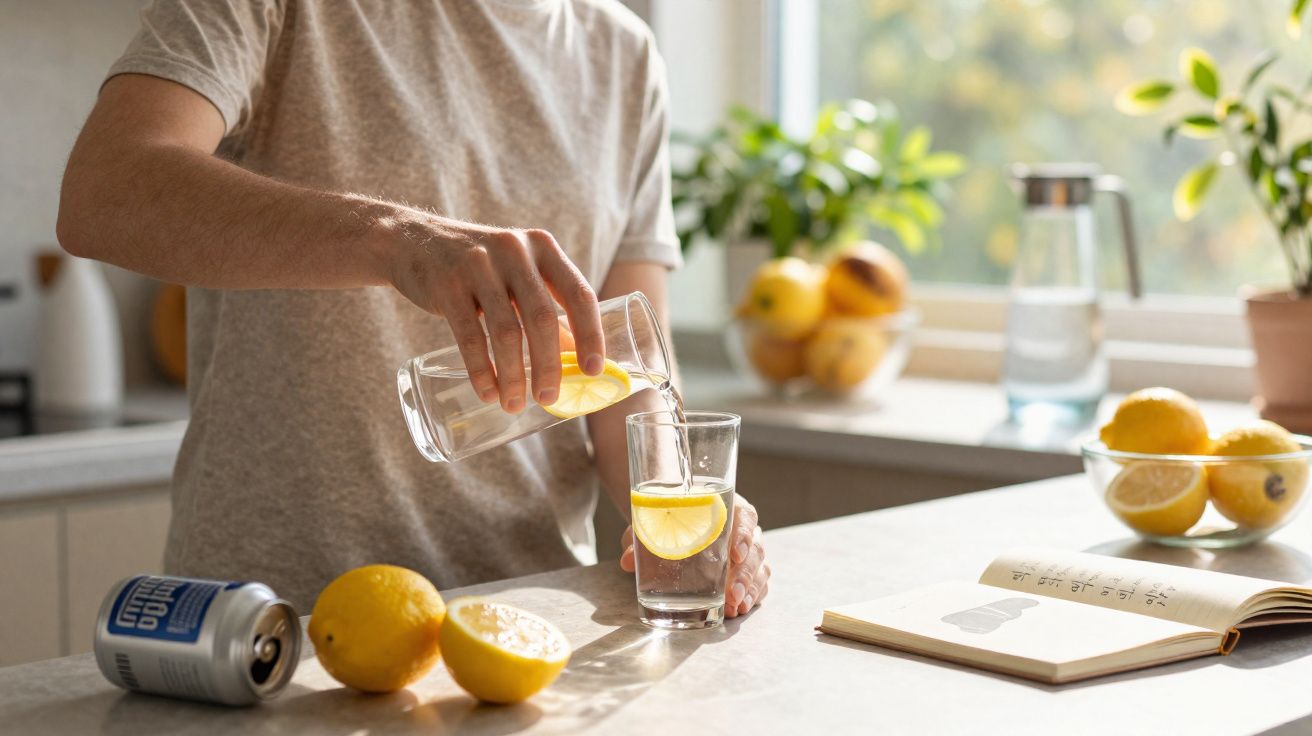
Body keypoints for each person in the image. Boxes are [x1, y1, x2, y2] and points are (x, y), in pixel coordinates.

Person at [58, 0, 770, 616]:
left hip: (529, 625)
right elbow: (104, 189)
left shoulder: (623, 52)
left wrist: (682, 504)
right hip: (274, 625)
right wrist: (398, 240)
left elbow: (626, 367)